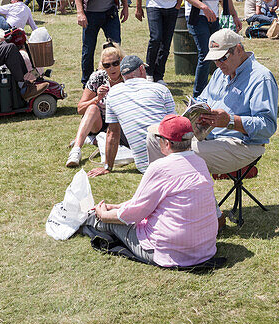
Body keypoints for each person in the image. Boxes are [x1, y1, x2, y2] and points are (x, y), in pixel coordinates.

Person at [80, 114, 220, 269]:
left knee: (106, 222)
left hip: (169, 252)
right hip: (204, 250)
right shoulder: (200, 163)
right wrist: (118, 206)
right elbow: (153, 202)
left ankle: (84, 219)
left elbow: (135, 213)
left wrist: (105, 215)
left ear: (166, 143)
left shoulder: (160, 167)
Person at [186, 29, 278, 176]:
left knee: (179, 155)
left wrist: (230, 121)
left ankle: (198, 198)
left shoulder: (261, 78)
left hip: (242, 145)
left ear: (239, 49)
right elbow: (203, 100)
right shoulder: (220, 73)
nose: (218, 64)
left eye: (222, 58)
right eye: (215, 60)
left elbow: (267, 127)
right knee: (157, 138)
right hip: (209, 139)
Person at [87, 55, 176, 176]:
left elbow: (112, 133)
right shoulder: (161, 89)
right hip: (171, 161)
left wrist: (107, 167)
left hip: (144, 166)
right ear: (141, 69)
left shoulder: (113, 94)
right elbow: (174, 126)